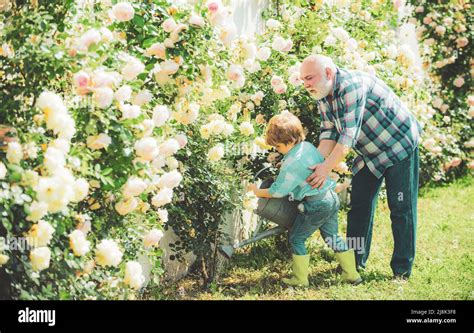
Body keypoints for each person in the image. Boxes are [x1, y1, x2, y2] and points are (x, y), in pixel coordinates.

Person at [300, 54, 422, 279]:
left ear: (328, 73)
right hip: (370, 152)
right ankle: (354, 263)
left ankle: (402, 271)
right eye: (303, 80)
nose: (305, 84)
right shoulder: (322, 93)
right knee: (359, 206)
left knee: (401, 208)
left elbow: (347, 138)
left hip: (399, 144)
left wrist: (326, 169)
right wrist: (312, 166)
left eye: (309, 78)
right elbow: (329, 134)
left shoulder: (351, 87)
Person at [247, 111, 362, 287]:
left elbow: (277, 191)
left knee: (296, 238)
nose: (276, 150)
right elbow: (301, 163)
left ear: (291, 141)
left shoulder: (292, 164)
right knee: (332, 237)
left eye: (278, 147)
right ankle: (352, 274)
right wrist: (285, 160)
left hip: (316, 204)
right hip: (330, 197)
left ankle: (300, 279)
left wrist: (257, 191)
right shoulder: (307, 146)